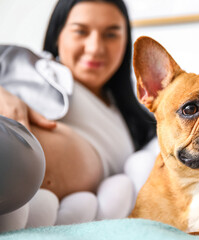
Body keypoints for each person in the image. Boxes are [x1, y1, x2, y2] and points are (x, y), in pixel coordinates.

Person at [0, 0, 156, 232]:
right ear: (57, 35)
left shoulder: (138, 120)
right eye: (80, 31)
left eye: (111, 35)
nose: (95, 47)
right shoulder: (31, 67)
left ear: (126, 41)